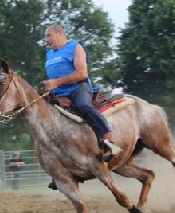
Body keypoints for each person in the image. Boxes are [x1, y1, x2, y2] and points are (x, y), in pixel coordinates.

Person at [42, 24, 119, 161]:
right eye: (45, 37)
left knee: (83, 105)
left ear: (60, 33)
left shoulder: (75, 47)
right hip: (58, 94)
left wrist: (56, 82)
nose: (46, 40)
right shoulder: (49, 54)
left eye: (49, 35)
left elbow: (82, 73)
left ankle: (107, 138)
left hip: (78, 88)